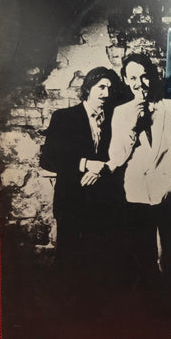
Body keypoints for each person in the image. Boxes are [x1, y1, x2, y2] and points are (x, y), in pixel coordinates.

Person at [107, 53, 171, 289]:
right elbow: (117, 158)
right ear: (125, 80)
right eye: (133, 78)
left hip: (169, 192)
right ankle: (150, 306)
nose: (139, 83)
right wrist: (132, 126)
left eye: (144, 76)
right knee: (143, 258)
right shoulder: (121, 112)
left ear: (153, 76)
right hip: (136, 193)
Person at [40, 66, 119, 281]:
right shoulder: (64, 117)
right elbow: (48, 158)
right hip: (71, 201)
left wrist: (101, 169)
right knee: (69, 263)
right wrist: (84, 164)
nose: (106, 93)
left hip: (102, 203)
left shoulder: (114, 119)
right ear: (88, 88)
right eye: (101, 87)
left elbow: (118, 156)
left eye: (110, 89)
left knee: (98, 265)